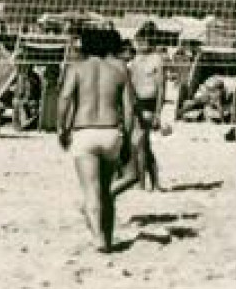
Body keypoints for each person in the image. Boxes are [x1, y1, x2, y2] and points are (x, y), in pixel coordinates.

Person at [58, 27, 133, 252]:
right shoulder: (120, 69)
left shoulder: (77, 68)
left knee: (91, 190)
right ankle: (108, 239)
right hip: (111, 131)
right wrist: (126, 138)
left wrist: (62, 128)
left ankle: (98, 238)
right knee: (106, 191)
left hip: (85, 131)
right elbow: (128, 109)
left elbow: (64, 99)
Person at [124, 23, 165, 192]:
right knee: (144, 146)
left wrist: (158, 113)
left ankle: (142, 184)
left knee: (139, 144)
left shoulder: (157, 60)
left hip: (149, 103)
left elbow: (161, 89)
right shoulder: (133, 61)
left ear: (150, 42)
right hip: (135, 104)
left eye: (143, 41)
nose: (139, 44)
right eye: (138, 41)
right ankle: (154, 183)